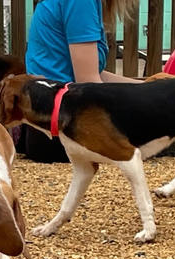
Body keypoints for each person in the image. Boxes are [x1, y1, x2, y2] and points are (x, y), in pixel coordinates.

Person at [17, 0, 142, 162]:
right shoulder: (80, 2)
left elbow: (93, 74)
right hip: (64, 130)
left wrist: (147, 89)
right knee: (169, 133)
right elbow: (89, 84)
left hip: (47, 128)